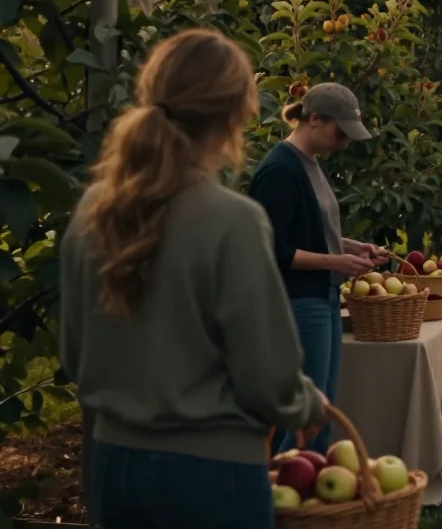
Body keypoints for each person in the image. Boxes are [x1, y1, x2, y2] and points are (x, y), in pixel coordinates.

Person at [60, 29, 326, 529]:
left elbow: (76, 354)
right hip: (209, 475)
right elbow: (267, 375)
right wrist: (304, 401)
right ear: (237, 113)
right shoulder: (232, 221)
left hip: (113, 466)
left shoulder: (95, 211)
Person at [250, 83, 386, 455]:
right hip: (299, 301)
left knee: (320, 409)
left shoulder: (309, 165)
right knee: (302, 416)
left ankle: (307, 498)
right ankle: (282, 493)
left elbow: (308, 231)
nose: (344, 143)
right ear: (313, 119)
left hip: (322, 297)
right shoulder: (280, 170)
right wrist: (334, 261)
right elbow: (271, 248)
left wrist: (350, 246)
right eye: (339, 132)